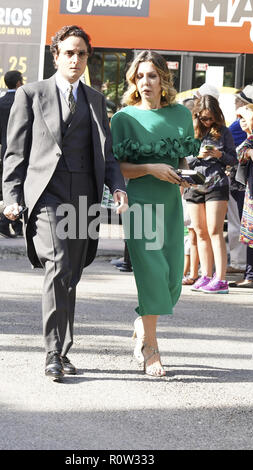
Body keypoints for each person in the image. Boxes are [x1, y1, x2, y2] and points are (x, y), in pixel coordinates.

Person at [2, 25, 127, 380]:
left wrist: (116, 187)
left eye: (82, 53)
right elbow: (15, 152)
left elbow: (108, 153)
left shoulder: (96, 99)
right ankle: (52, 352)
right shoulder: (30, 94)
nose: (75, 59)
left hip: (84, 196)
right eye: (69, 52)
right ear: (56, 55)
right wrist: (12, 196)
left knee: (72, 273)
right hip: (48, 195)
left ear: (88, 57)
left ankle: (64, 350)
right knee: (57, 264)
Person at [111, 51, 200, 377]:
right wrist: (151, 168)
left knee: (172, 279)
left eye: (151, 75)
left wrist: (183, 175)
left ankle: (142, 323)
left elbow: (181, 158)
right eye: (139, 76)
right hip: (140, 205)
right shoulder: (124, 118)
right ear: (132, 80)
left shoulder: (179, 115)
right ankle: (151, 348)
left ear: (164, 79)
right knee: (151, 275)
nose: (145, 82)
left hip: (172, 204)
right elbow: (117, 169)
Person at [184, 95, 237, 293]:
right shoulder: (192, 132)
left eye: (211, 118)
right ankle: (206, 275)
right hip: (194, 183)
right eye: (204, 118)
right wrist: (197, 156)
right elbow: (182, 160)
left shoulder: (224, 132)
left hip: (216, 183)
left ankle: (221, 279)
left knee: (215, 231)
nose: (208, 122)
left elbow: (234, 160)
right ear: (197, 115)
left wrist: (219, 155)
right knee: (200, 232)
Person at [227, 86, 253, 273]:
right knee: (250, 231)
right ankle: (250, 272)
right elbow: (240, 151)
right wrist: (250, 150)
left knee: (248, 229)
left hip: (249, 189)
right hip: (250, 188)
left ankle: (248, 270)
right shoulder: (252, 133)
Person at [0, 70, 24, 238]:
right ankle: (4, 224)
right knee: (19, 188)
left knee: (12, 187)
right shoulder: (24, 101)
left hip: (5, 150)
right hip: (22, 152)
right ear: (19, 83)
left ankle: (16, 226)